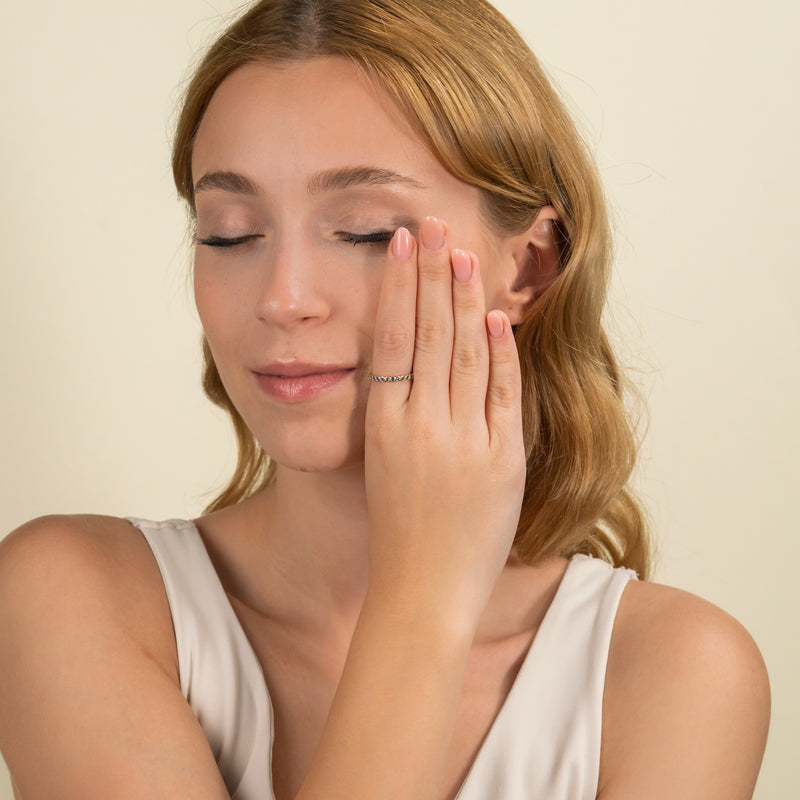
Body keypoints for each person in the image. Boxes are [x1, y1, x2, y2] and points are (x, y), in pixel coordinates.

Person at [0, 0, 770, 798]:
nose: (283, 298)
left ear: (532, 267)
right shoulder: (71, 595)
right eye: (230, 232)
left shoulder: (676, 675)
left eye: (366, 232)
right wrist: (423, 598)